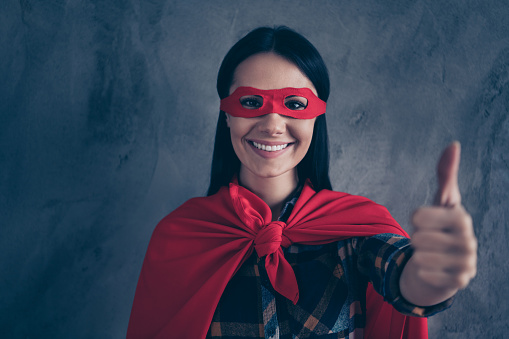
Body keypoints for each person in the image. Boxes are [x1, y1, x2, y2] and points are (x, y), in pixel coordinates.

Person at [127, 26, 477, 339]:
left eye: (294, 104)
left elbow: (401, 273)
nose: (272, 124)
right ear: (227, 114)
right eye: (251, 102)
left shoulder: (355, 231)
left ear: (317, 117)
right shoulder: (179, 236)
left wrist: (433, 275)